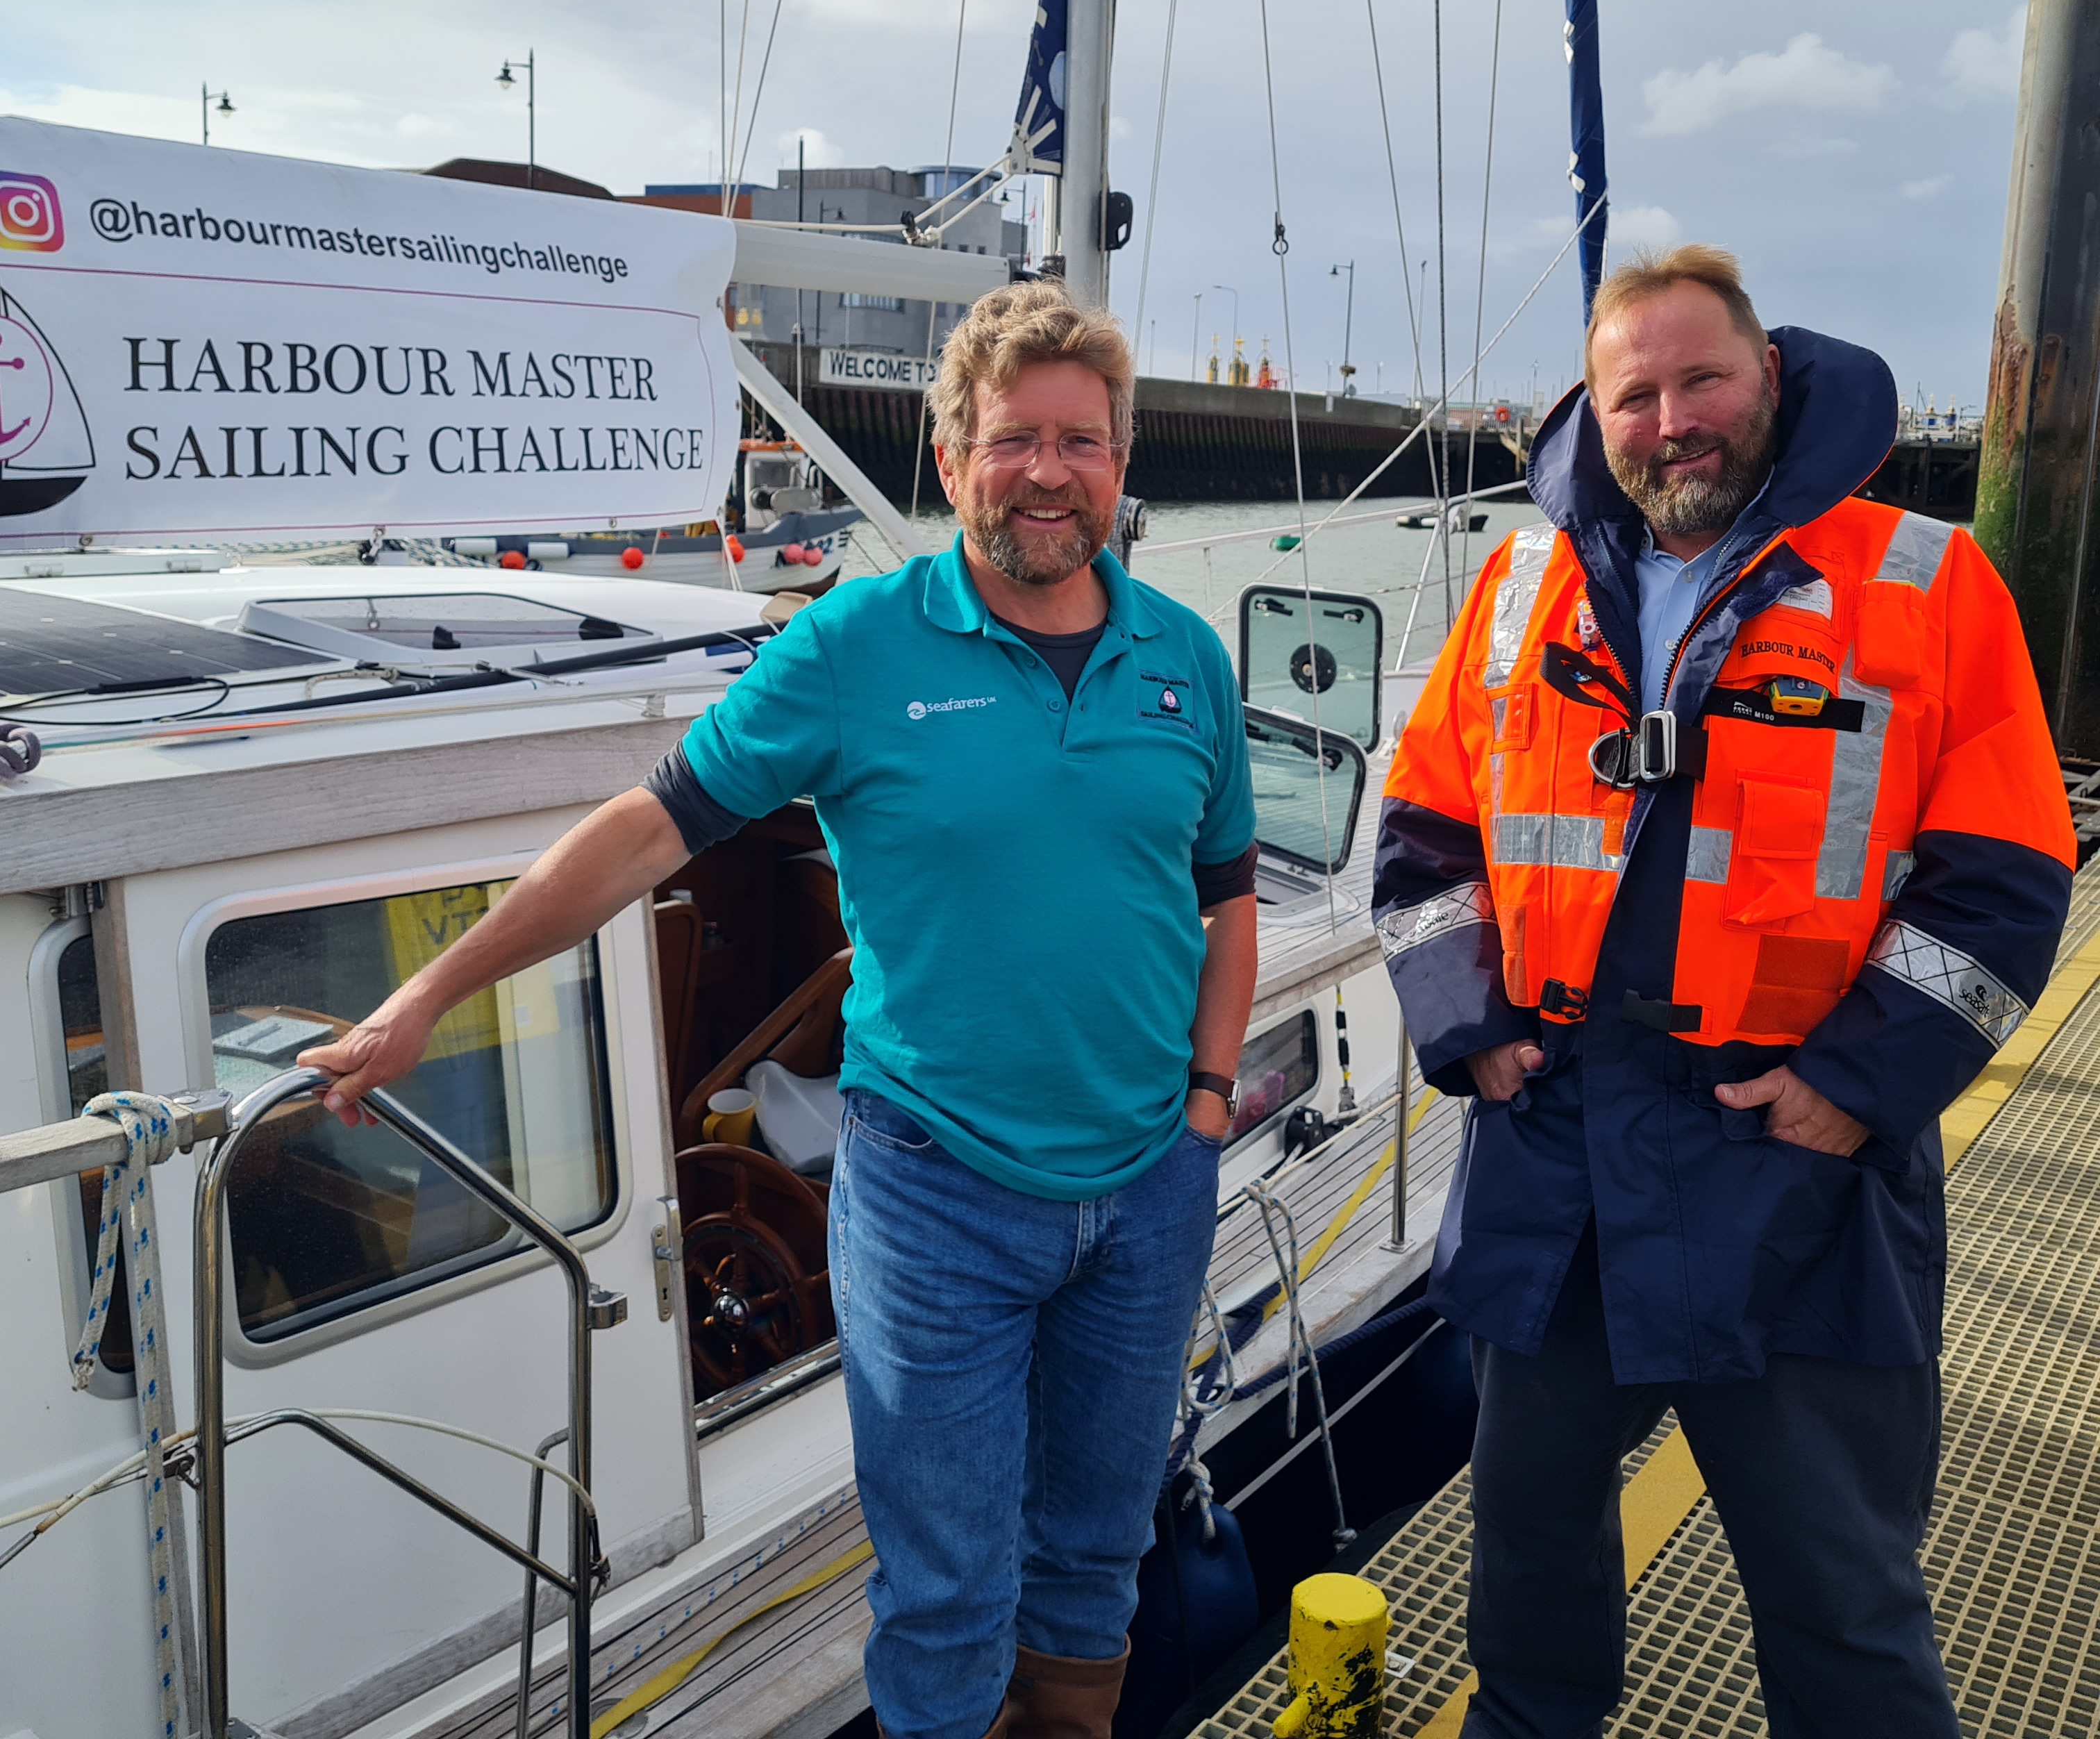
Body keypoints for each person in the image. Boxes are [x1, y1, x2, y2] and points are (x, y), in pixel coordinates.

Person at [300, 281, 1260, 1739]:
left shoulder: (1184, 656)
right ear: (953, 463)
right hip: (940, 1199)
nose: (1050, 474)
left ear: (1123, 463)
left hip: (1147, 1193)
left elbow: (1229, 899)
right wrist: (432, 991)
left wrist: (1203, 1104)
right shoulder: (854, 649)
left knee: (1096, 1563)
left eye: (1082, 442)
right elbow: (647, 829)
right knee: (944, 1594)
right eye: (1014, 441)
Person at [1374, 245, 2073, 1739]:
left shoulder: (1927, 581)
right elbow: (1426, 834)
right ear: (1593, 414)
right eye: (1638, 394)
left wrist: (1858, 1086)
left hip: (1795, 1178)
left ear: (1771, 379)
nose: (1674, 419)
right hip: (1554, 1157)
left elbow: (2008, 877)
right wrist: (1468, 1024)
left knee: (1843, 1604)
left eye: (1705, 380)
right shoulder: (1515, 587)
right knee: (1528, 1568)